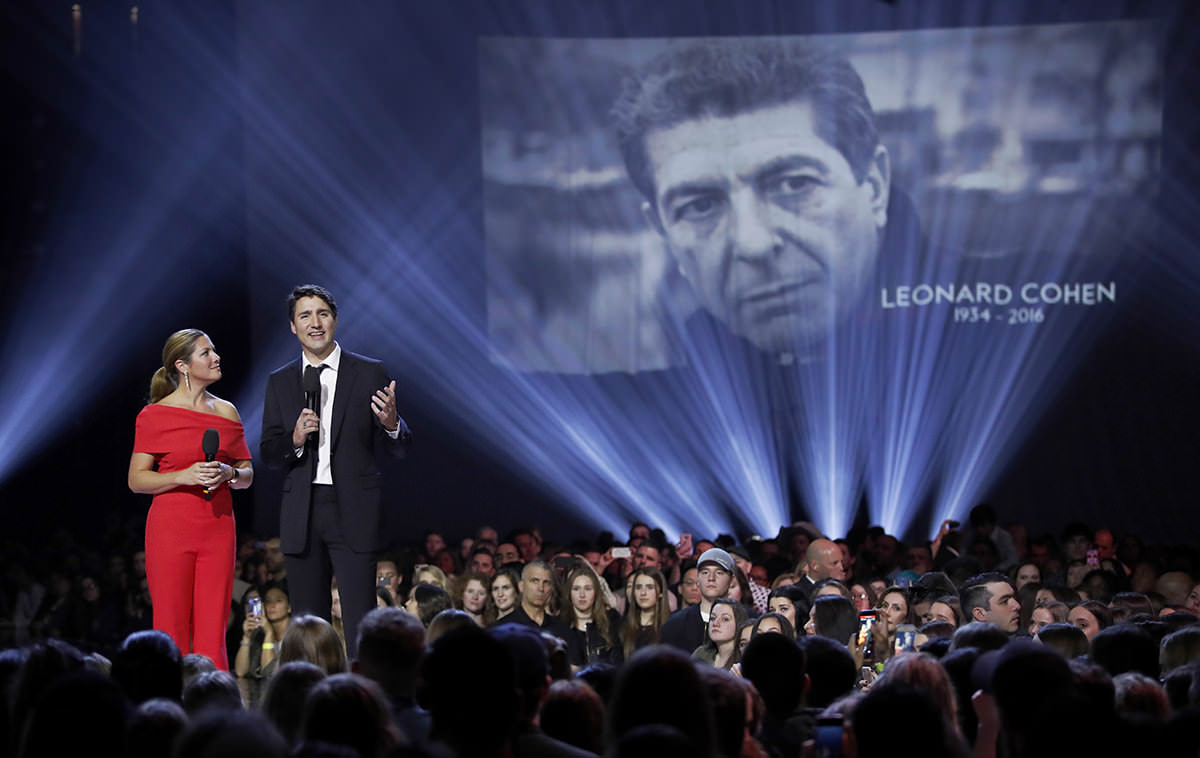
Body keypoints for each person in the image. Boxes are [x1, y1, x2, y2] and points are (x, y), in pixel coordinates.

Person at [613, 39, 896, 361]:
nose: (753, 244)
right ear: (662, 231)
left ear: (875, 187)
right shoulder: (682, 367)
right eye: (700, 206)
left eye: (795, 184)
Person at [260, 284, 411, 659]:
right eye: (305, 316)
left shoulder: (369, 372)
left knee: (361, 615)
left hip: (353, 509)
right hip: (303, 509)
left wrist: (393, 423)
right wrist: (294, 439)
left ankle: (364, 695)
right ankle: (312, 695)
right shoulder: (280, 381)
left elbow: (400, 449)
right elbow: (269, 452)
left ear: (335, 319)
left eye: (322, 314)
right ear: (292, 327)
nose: (315, 323)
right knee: (309, 621)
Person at [128, 329, 253, 670]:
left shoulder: (227, 411)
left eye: (214, 351)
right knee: (171, 624)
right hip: (170, 529)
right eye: (206, 353)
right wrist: (181, 476)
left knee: (213, 626)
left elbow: (247, 474)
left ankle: (215, 702)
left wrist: (230, 474)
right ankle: (169, 702)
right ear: (182, 365)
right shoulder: (154, 415)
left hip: (218, 527)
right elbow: (137, 480)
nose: (216, 358)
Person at [660, 548, 735, 653]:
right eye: (705, 572)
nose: (711, 578)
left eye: (719, 572)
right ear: (698, 578)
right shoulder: (675, 624)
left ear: (731, 579)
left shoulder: (746, 620)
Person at [619, 567, 671, 658]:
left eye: (650, 587)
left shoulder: (671, 626)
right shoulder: (622, 626)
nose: (643, 593)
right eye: (638, 587)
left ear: (661, 592)